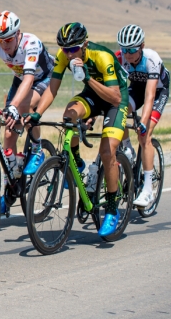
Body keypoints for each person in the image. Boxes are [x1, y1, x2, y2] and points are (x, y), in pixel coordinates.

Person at [25, 22, 129, 237]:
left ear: (85, 45)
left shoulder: (102, 57)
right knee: (68, 116)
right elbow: (51, 90)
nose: (69, 54)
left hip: (114, 100)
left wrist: (88, 77)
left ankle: (111, 208)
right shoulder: (64, 57)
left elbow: (115, 97)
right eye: (64, 49)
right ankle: (76, 162)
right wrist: (37, 114)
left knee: (107, 151)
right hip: (92, 94)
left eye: (73, 49)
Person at [0, 11, 55, 180]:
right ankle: (11, 180)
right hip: (20, 78)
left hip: (43, 77)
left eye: (8, 40)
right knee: (8, 132)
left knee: (23, 106)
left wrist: (13, 106)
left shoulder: (31, 42)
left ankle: (37, 148)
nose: (4, 45)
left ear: (18, 34)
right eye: (0, 40)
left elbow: (29, 79)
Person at [115, 24, 169, 207]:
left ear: (142, 46)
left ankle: (147, 189)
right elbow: (119, 91)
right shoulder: (121, 58)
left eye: (131, 49)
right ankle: (128, 149)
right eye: (124, 49)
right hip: (137, 88)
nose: (127, 54)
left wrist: (143, 122)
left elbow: (150, 95)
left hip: (157, 91)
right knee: (119, 113)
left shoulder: (151, 59)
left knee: (144, 135)